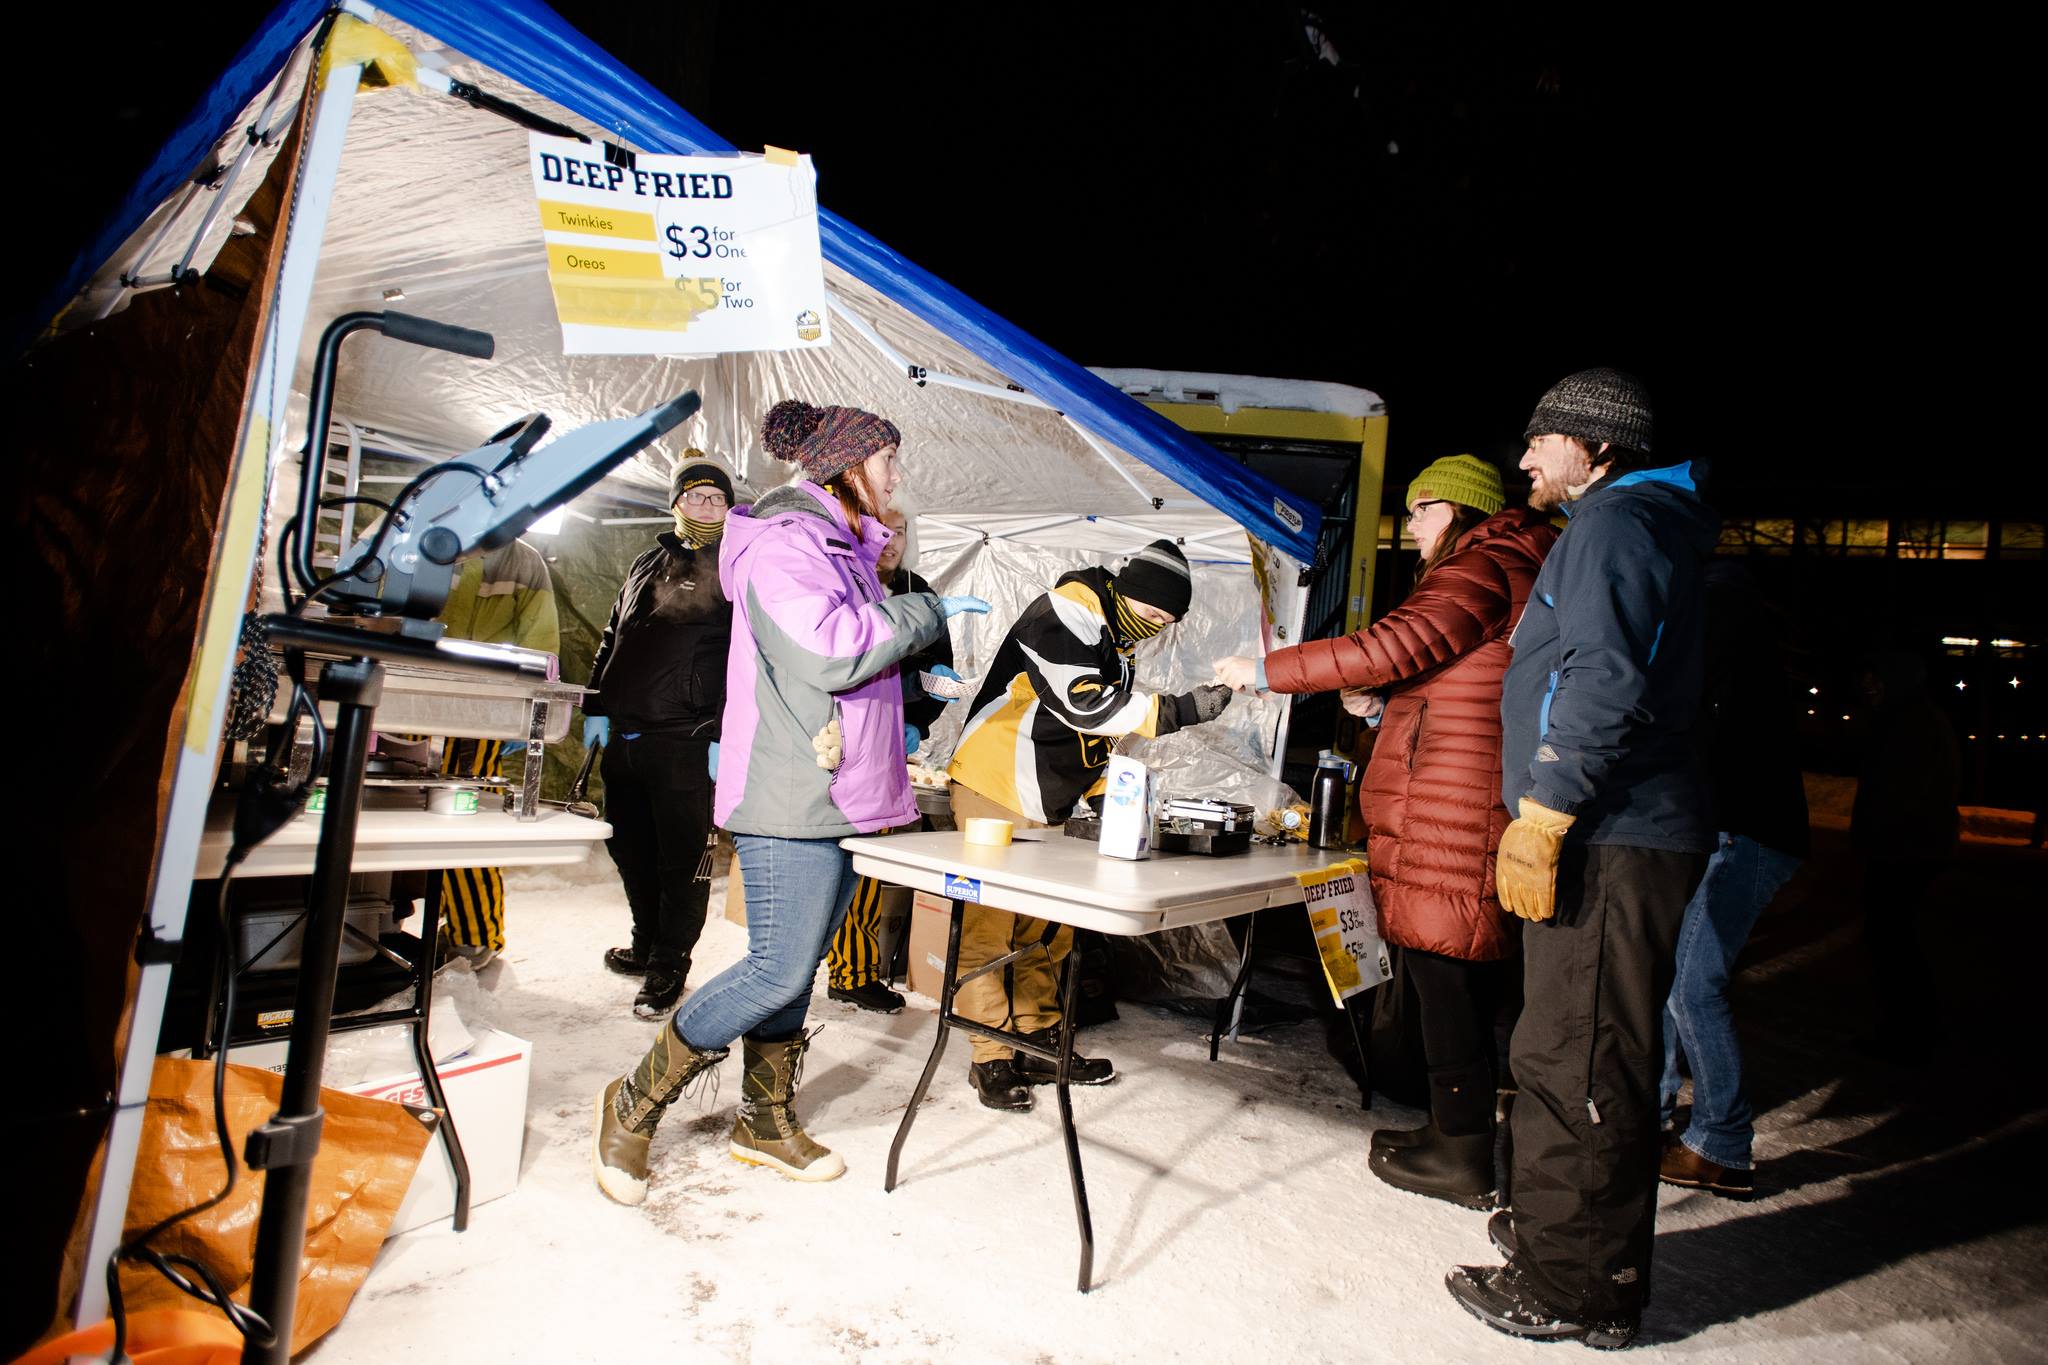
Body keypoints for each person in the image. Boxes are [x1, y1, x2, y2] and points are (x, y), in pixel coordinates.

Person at [592, 398, 988, 1204]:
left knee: (796, 967)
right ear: (846, 467)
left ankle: (763, 1119)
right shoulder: (785, 542)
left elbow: (832, 664)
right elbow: (826, 648)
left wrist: (912, 684)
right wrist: (922, 612)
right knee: (774, 969)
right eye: (887, 461)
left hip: (839, 790)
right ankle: (633, 1100)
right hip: (793, 790)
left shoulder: (839, 548)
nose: (897, 475)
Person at [1444, 368, 1716, 1350]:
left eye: (1540, 439)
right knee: (1563, 1045)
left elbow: (1603, 675)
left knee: (1583, 1054)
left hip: (1608, 830)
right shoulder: (1628, 525)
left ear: (1596, 447)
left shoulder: (1611, 526)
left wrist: (1547, 807)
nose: (1523, 457)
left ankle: (1577, 1285)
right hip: (1613, 829)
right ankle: (1558, 1232)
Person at [1214, 453, 1557, 1209]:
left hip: (1453, 811)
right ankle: (1450, 1132)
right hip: (1456, 802)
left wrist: (1269, 667)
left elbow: (1389, 645)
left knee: (1447, 979)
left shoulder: (1481, 566)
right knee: (1446, 977)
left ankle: (1463, 1153)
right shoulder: (1504, 567)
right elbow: (1441, 678)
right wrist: (1383, 709)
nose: (1413, 526)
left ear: (1461, 509)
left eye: (1422, 509)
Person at [946, 539, 1234, 1111]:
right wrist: (1177, 710)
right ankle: (990, 1056)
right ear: (1130, 591)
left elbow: (1097, 737)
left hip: (1049, 799)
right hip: (995, 781)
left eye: (1168, 622)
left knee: (1050, 926)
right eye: (1153, 613)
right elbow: (1084, 705)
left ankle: (1035, 1037)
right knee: (991, 926)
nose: (1156, 627)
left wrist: (1109, 801)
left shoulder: (1115, 642)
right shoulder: (1065, 611)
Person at [1657, 560, 1809, 1197]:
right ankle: (1653, 1109)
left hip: (1746, 836)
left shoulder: (1720, 622)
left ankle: (1722, 1144)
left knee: (1694, 986)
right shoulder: (1735, 628)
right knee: (1670, 975)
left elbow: (1687, 725)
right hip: (1732, 829)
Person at [580, 452, 735, 1019]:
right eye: (695, 496)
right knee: (629, 849)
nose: (705, 505)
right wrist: (595, 704)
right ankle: (646, 943)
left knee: (682, 859)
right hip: (624, 734)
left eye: (717, 498)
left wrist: (722, 731)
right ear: (675, 502)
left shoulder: (734, 563)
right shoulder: (648, 558)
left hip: (686, 738)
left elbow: (745, 656)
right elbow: (609, 635)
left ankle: (671, 964)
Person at [825, 500, 960, 1014]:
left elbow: (936, 667)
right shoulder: (840, 576)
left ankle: (853, 972)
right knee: (825, 860)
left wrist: (920, 714)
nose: (894, 540)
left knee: (866, 861)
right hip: (832, 743)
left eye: (902, 532)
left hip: (887, 751)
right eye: (886, 529)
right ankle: (797, 965)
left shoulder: (918, 591)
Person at [432, 537, 560, 967]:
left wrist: (525, 713)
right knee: (388, 814)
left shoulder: (523, 561)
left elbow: (540, 640)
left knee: (464, 818)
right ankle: (384, 913)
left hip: (479, 713)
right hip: (403, 700)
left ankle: (474, 935)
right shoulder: (418, 539)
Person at [1850, 648, 1960, 1054]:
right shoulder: (1904, 719)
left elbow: (1902, 793)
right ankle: (1907, 1027)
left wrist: (1878, 836)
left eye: (1876, 678)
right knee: (1891, 938)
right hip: (1905, 846)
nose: (1867, 686)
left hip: (1906, 849)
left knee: (1893, 939)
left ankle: (1912, 1032)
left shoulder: (1911, 723)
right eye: (1865, 677)